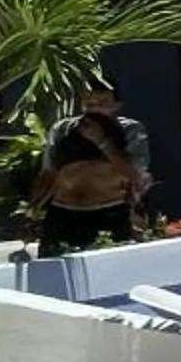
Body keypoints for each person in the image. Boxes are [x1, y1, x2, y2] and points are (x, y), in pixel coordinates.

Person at [31, 79, 152, 255]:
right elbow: (48, 173)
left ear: (117, 106)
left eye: (102, 103)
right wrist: (31, 212)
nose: (94, 108)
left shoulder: (130, 130)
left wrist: (102, 141)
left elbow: (134, 173)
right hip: (63, 215)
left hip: (108, 213)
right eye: (89, 103)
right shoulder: (63, 129)